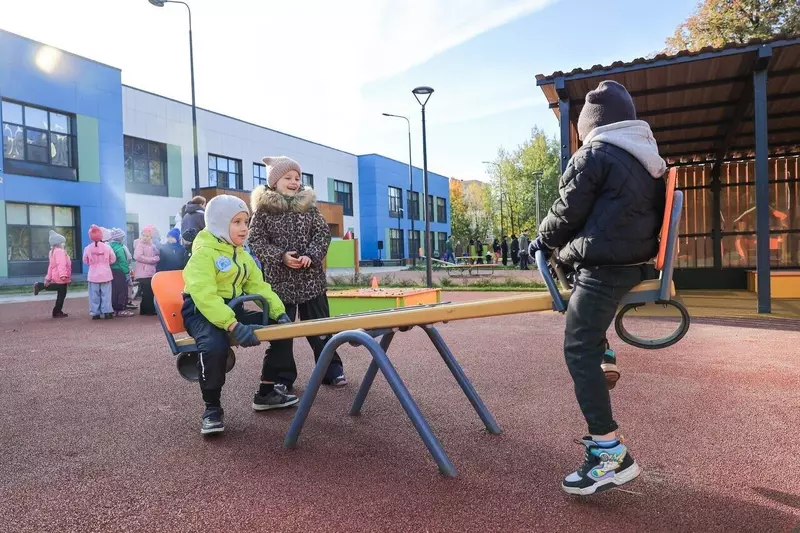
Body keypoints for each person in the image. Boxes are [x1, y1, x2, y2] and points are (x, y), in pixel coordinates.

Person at [529, 80, 666, 495]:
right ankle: (603, 351)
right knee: (582, 316)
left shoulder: (595, 154)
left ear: (592, 125)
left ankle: (610, 453)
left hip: (605, 267)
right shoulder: (644, 157)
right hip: (630, 261)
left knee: (576, 347)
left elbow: (566, 211)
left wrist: (539, 241)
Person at [182, 194, 294, 436]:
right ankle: (212, 408)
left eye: (246, 221)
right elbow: (205, 297)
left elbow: (259, 287)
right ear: (220, 224)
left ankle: (266, 392)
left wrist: (279, 313)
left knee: (282, 329)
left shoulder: (241, 253)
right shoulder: (203, 254)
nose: (245, 228)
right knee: (213, 345)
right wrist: (232, 325)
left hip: (232, 307)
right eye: (237, 222)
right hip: (201, 311)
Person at [249, 155, 348, 393]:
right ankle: (281, 377)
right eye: (288, 178)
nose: (294, 182)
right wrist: (281, 256)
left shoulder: (308, 207)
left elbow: (322, 234)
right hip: (279, 284)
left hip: (310, 280)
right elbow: (256, 240)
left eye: (297, 178)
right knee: (281, 334)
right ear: (274, 182)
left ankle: (330, 370)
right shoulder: (264, 210)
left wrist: (311, 256)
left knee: (320, 328)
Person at [33, 230, 72, 318]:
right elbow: (61, 264)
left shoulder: (52, 252)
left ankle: (57, 311)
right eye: (63, 242)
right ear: (59, 243)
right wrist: (63, 275)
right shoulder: (60, 252)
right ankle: (57, 311)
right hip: (61, 276)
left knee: (60, 291)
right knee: (62, 292)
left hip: (56, 275)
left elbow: (51, 266)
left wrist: (48, 278)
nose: (64, 244)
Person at [82, 225, 116, 320]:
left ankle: (95, 313)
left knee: (94, 294)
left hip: (93, 274)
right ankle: (107, 311)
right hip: (106, 274)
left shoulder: (88, 248)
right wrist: (105, 264)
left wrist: (93, 264)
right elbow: (113, 259)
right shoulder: (107, 247)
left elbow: (85, 260)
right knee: (106, 294)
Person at [108, 228, 135, 317]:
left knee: (113, 291)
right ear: (121, 238)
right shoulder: (120, 248)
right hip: (120, 271)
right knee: (122, 291)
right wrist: (127, 272)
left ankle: (113, 309)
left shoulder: (108, 246)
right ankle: (121, 309)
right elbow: (123, 261)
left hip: (111, 271)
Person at [134, 225, 160, 316]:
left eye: (147, 236)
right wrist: (152, 260)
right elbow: (137, 256)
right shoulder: (140, 245)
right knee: (147, 291)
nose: (145, 238)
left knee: (147, 291)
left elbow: (157, 254)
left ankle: (144, 310)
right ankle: (149, 310)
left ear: (151, 237)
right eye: (143, 235)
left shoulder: (152, 246)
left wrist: (156, 258)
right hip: (143, 273)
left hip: (150, 272)